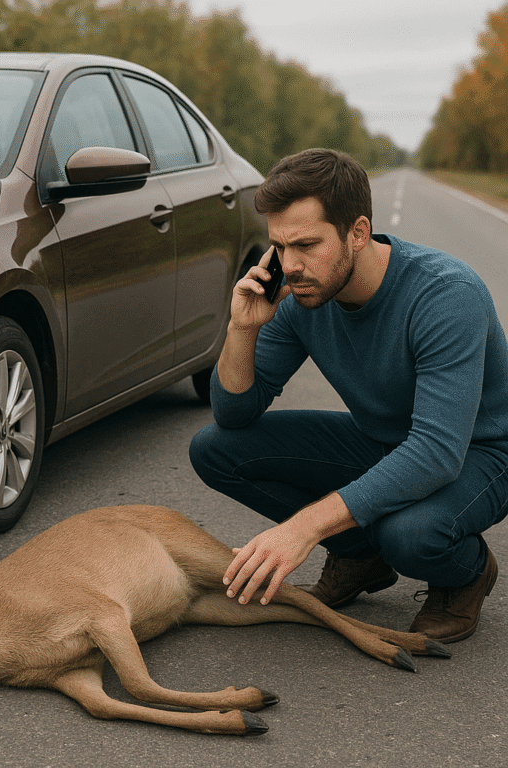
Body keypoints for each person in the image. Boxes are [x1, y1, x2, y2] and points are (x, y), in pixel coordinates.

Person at [189, 148, 508, 643]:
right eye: (279, 247)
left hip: (478, 452)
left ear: (357, 233)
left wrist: (305, 528)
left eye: (307, 244)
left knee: (409, 534)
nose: (290, 267)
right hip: (383, 441)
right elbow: (234, 414)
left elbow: (437, 454)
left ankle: (466, 573)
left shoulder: (446, 295)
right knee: (215, 449)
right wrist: (242, 329)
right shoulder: (300, 293)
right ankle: (362, 556)